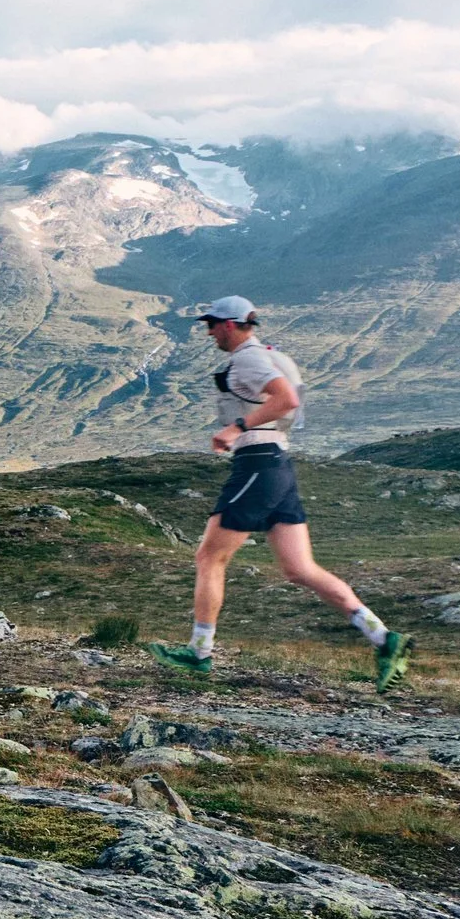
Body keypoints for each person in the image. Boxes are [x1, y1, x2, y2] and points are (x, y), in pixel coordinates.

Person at [150, 296, 411, 690]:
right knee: (299, 569)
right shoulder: (270, 356)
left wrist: (235, 428)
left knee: (209, 556)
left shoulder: (249, 360)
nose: (209, 332)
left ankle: (199, 653)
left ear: (231, 325)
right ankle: (384, 639)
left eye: (213, 324)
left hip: (257, 463)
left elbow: (285, 399)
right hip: (278, 465)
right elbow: (292, 402)